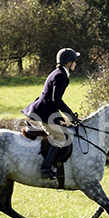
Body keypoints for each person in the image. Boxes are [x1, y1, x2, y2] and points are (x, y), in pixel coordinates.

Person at [23, 48, 80, 179]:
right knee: (60, 138)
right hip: (45, 112)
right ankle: (46, 169)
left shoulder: (60, 73)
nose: (76, 64)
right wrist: (70, 114)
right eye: (74, 61)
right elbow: (56, 100)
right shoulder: (60, 75)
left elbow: (54, 100)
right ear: (69, 63)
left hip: (48, 110)